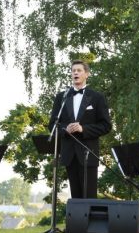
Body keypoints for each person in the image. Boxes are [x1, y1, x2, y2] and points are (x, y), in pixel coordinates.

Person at [48, 60, 112, 199]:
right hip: (69, 154)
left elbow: (106, 126)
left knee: (89, 198)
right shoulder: (62, 97)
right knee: (75, 198)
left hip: (88, 152)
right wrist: (66, 129)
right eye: (73, 70)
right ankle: (75, 222)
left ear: (87, 74)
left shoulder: (97, 97)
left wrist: (83, 129)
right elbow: (52, 124)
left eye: (79, 70)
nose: (75, 73)